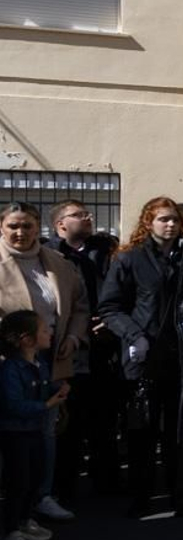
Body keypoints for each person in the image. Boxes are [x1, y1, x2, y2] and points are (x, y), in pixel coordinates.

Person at [100, 197, 183, 517]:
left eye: (174, 219)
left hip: (181, 355)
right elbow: (110, 307)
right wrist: (133, 335)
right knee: (141, 429)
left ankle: (181, 493)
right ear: (149, 222)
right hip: (143, 355)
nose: (171, 225)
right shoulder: (128, 259)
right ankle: (142, 496)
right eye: (163, 219)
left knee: (179, 428)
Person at [0, 202, 89, 522]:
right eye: (13, 226)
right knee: (13, 432)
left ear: (39, 228)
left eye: (27, 226)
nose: (20, 232)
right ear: (2, 228)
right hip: (9, 361)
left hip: (53, 354)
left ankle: (42, 496)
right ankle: (15, 509)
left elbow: (80, 307)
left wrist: (74, 338)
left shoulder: (58, 262)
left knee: (47, 429)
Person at [44, 200, 119, 499]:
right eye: (78, 214)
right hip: (66, 347)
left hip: (103, 344)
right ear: (60, 224)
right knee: (68, 421)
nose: (88, 217)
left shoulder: (106, 251)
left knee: (104, 416)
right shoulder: (50, 256)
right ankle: (64, 486)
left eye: (88, 213)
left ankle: (107, 482)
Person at [1, 310, 69, 540]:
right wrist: (47, 405)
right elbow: (13, 405)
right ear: (27, 339)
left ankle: (25, 520)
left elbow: (40, 388)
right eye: (43, 330)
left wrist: (55, 388)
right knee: (18, 481)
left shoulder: (38, 364)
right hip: (15, 433)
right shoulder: (10, 369)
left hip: (34, 430)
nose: (49, 333)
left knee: (35, 477)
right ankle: (11, 531)